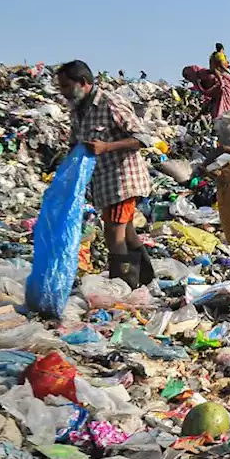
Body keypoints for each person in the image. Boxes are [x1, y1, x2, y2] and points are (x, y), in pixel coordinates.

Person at [57, 60, 154, 288]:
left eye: (66, 86)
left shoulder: (110, 103)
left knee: (114, 232)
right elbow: (75, 144)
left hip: (123, 178)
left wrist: (106, 147)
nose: (63, 92)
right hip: (102, 182)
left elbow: (143, 138)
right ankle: (146, 278)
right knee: (126, 230)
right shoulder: (78, 110)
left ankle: (122, 284)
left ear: (83, 82)